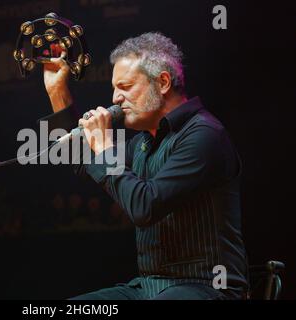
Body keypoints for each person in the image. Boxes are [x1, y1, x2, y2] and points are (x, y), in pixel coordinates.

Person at [39, 32, 248, 300]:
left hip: (208, 287)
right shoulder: (143, 143)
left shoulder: (204, 135)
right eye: (114, 88)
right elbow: (78, 157)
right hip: (149, 287)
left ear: (162, 82)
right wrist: (57, 91)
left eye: (125, 87)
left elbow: (144, 206)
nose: (115, 98)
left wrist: (104, 148)